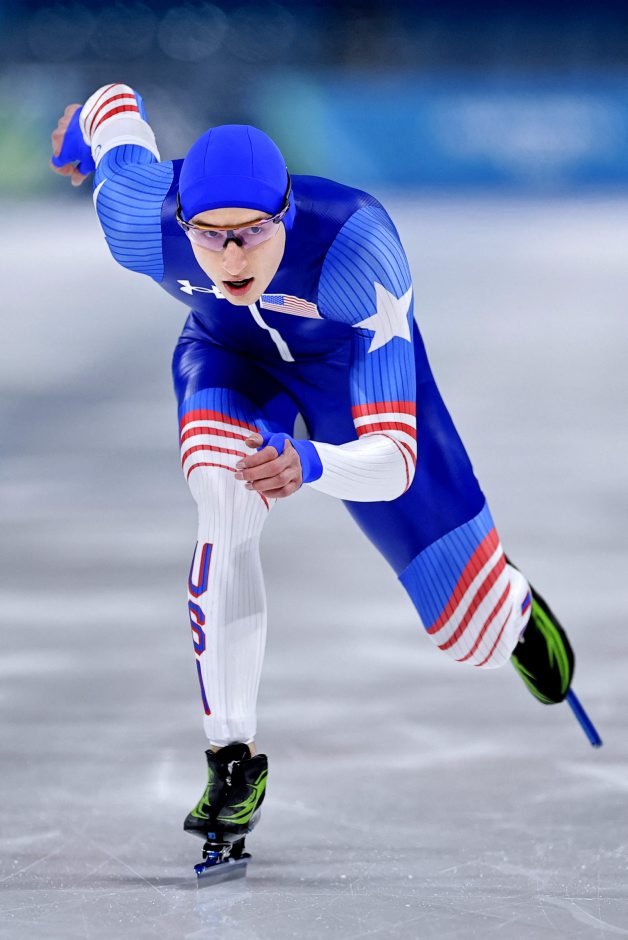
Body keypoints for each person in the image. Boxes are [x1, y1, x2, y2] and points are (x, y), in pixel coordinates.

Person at [50, 83, 574, 857]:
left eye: (253, 234)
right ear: (182, 223)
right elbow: (115, 107)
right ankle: (232, 759)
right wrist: (80, 138)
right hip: (228, 362)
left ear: (287, 217)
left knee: (470, 634)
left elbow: (394, 460)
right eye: (210, 237)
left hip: (347, 380)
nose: (232, 258)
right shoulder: (138, 220)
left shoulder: (356, 250)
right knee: (224, 502)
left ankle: (511, 606)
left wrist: (313, 462)